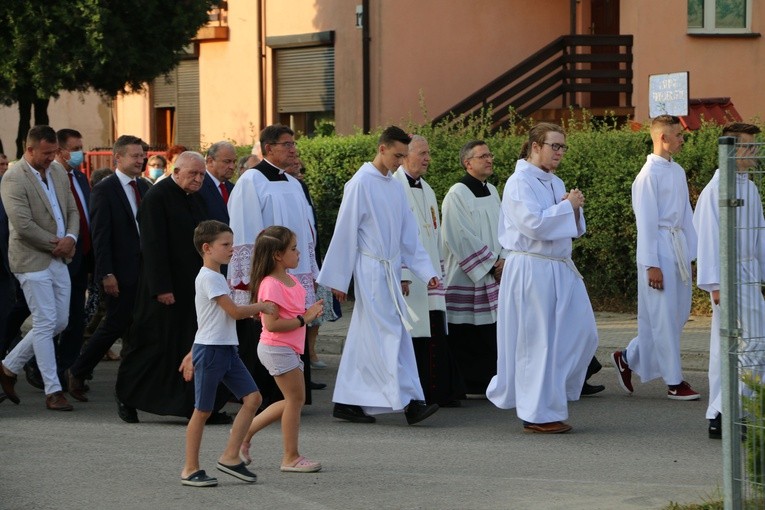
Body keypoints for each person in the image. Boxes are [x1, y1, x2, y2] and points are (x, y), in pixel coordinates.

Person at [317, 126, 440, 425]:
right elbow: (345, 232)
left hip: (389, 268)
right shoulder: (360, 183)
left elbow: (408, 234)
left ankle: (348, 402)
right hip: (372, 270)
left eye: (404, 156)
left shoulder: (394, 186)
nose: (400, 161)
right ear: (382, 149)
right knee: (391, 334)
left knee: (367, 337)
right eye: (397, 155)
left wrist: (427, 271)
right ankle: (411, 402)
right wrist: (337, 280)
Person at [485, 123, 598, 434]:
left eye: (563, 147)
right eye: (554, 146)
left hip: (558, 267)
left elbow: (572, 227)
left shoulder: (554, 179)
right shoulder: (518, 182)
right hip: (531, 269)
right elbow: (532, 224)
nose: (560, 152)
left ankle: (549, 398)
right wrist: (566, 206)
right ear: (535, 147)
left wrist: (574, 210)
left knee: (581, 333)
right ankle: (537, 413)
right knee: (537, 342)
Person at [115, 151, 229, 422]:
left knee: (191, 345)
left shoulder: (196, 197)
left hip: (192, 287)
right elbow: (152, 247)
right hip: (164, 288)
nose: (198, 179)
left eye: (202, 174)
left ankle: (197, 406)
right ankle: (127, 396)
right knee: (152, 346)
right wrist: (162, 287)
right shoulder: (157, 198)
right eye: (193, 173)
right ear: (176, 172)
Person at [227, 124, 321, 408]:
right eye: (287, 144)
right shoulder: (251, 181)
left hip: (295, 273)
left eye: (294, 144)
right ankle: (264, 396)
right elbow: (245, 231)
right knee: (266, 330)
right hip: (268, 274)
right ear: (269, 148)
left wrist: (311, 270)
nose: (294, 150)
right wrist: (252, 277)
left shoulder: (294, 183)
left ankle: (292, 396)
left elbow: (307, 232)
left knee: (294, 326)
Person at [178, 220, 274, 487]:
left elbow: (209, 319)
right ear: (207, 248)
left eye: (231, 244)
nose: (232, 249)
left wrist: (190, 352)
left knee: (253, 398)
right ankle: (190, 468)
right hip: (211, 351)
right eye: (226, 245)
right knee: (202, 411)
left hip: (224, 348)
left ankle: (231, 456)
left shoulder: (216, 277)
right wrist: (262, 306)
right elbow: (232, 311)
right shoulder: (210, 277)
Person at [611, 115, 699, 400]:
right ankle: (675, 382)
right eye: (678, 136)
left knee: (677, 315)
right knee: (661, 318)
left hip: (678, 246)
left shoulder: (677, 171)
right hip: (658, 248)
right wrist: (651, 265)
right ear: (663, 138)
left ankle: (627, 357)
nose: (682, 140)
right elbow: (645, 224)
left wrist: (694, 255)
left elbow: (687, 214)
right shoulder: (647, 176)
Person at [693, 122, 765, 439]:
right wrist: (717, 286)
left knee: (733, 349)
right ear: (732, 150)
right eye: (748, 146)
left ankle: (723, 414)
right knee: (754, 345)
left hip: (749, 274)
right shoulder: (717, 189)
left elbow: (758, 234)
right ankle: (726, 411)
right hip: (729, 276)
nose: (754, 153)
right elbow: (707, 240)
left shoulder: (747, 185)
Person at [0, 125, 79, 411]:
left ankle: (8, 366)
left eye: (54, 152)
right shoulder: (13, 178)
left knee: (60, 321)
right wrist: (55, 243)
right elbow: (22, 225)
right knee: (46, 321)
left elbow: (71, 209)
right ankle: (53, 390)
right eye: (46, 153)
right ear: (29, 149)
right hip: (30, 260)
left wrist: (70, 238)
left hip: (60, 256)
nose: (51, 158)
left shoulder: (57, 171)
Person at [65, 136, 150, 402]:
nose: (140, 161)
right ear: (118, 158)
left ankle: (135, 380)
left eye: (142, 156)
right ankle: (78, 370)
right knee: (113, 324)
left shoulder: (146, 187)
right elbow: (100, 236)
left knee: (141, 326)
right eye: (134, 156)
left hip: (144, 271)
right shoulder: (105, 189)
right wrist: (106, 274)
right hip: (119, 272)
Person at [240, 226, 324, 473]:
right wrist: (304, 319)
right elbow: (272, 324)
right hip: (277, 348)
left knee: (292, 400)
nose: (298, 253)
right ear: (278, 255)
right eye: (294, 248)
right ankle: (290, 457)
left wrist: (308, 313)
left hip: (287, 348)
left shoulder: (291, 278)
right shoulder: (270, 284)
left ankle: (243, 435)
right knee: (295, 400)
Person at [394, 134, 465, 407]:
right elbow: (394, 236)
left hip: (431, 275)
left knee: (434, 331)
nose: (427, 158)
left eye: (428, 153)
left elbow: (435, 235)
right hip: (409, 277)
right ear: (405, 155)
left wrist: (439, 271)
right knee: (414, 336)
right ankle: (414, 395)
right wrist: (403, 272)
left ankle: (436, 391)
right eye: (422, 153)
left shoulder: (429, 189)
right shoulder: (394, 187)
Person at [441, 140, 507, 396]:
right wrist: (490, 264)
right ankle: (468, 381)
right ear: (468, 163)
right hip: (468, 275)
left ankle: (489, 379)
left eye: (490, 154)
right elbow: (459, 235)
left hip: (494, 270)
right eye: (482, 156)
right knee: (467, 330)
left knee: (490, 329)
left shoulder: (492, 189)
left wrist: (503, 258)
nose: (489, 159)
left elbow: (504, 227)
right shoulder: (457, 193)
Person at [285, 158, 337, 370]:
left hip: (310, 257)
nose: (298, 167)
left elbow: (310, 223)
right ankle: (304, 356)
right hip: (296, 261)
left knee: (317, 310)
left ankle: (310, 353)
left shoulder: (300, 186)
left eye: (299, 164)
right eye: (293, 163)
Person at [50, 128, 92, 382]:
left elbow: (85, 214)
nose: (80, 153)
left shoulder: (80, 177)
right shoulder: (51, 178)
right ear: (60, 151)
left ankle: (65, 367)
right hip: (60, 255)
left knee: (76, 316)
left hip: (82, 255)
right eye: (74, 149)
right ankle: (38, 362)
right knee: (56, 317)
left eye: (80, 148)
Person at [199, 141, 235, 224]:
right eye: (227, 161)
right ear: (210, 161)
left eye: (234, 162)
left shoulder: (233, 188)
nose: (232, 167)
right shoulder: (199, 186)